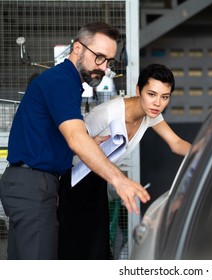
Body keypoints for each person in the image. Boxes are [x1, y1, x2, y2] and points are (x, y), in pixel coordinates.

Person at [0, 22, 150, 260]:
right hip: (32, 184)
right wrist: (118, 180)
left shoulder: (65, 82)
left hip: (32, 183)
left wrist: (92, 141)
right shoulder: (61, 82)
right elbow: (75, 138)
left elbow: (56, 134)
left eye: (109, 61)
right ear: (78, 48)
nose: (103, 67)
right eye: (99, 57)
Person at [57, 63, 191, 260]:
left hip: (98, 181)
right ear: (138, 90)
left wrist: (205, 153)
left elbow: (176, 143)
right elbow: (67, 145)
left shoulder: (151, 115)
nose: (157, 103)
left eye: (165, 97)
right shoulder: (107, 113)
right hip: (73, 180)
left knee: (98, 250)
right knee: (70, 248)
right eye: (151, 94)